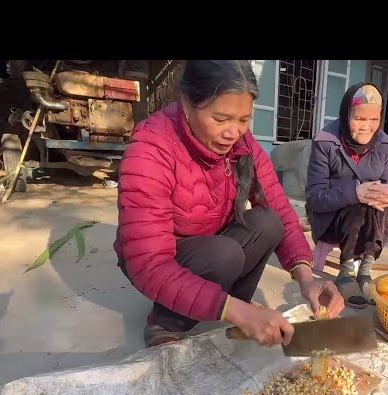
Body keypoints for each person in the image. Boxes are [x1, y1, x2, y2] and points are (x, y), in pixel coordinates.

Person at [114, 60, 344, 348]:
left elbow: (281, 210)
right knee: (223, 253)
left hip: (210, 241)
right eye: (221, 119)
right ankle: (165, 321)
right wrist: (242, 313)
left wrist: (307, 280)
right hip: (168, 258)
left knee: (268, 221)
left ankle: (229, 305)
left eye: (243, 119)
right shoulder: (151, 148)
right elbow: (148, 263)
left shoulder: (242, 143)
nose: (233, 132)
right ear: (186, 103)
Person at [305, 82, 388, 298]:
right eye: (359, 119)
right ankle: (346, 269)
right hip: (331, 220)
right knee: (359, 202)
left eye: (374, 119)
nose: (367, 126)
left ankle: (366, 267)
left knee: (379, 200)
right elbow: (315, 198)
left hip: (372, 222)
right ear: (345, 115)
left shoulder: (384, 145)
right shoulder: (325, 143)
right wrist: (355, 192)